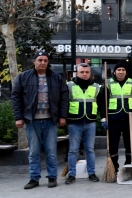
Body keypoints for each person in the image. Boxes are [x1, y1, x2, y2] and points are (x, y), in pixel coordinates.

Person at [12, 51, 69, 189]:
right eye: (40, 60)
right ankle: (34, 178)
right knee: (34, 152)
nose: (42, 62)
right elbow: (16, 98)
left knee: (51, 151)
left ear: (48, 62)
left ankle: (52, 177)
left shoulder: (56, 78)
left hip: (50, 120)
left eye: (45, 60)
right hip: (32, 121)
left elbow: (64, 98)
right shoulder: (23, 77)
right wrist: (18, 117)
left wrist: (62, 116)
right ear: (34, 62)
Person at [98, 60, 132, 174]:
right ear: (115, 72)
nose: (121, 72)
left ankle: (128, 167)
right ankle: (114, 168)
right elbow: (103, 103)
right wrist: (103, 119)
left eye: (123, 70)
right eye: (118, 70)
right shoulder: (108, 83)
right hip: (113, 119)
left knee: (129, 145)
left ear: (126, 72)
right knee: (113, 145)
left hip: (129, 118)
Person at [64, 63, 100, 184]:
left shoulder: (96, 87)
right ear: (77, 73)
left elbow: (100, 103)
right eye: (82, 72)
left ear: (90, 73)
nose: (84, 74)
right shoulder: (69, 86)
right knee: (73, 150)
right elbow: (64, 103)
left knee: (90, 149)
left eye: (87, 72)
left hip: (90, 122)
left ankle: (91, 173)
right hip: (74, 122)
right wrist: (63, 118)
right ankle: (71, 174)